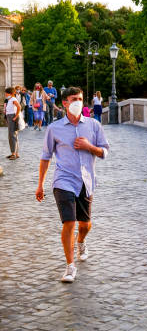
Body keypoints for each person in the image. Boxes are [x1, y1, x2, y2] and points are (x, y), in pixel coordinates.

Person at [35, 87, 110, 283]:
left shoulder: (93, 125)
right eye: (73, 99)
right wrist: (40, 184)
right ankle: (69, 266)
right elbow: (45, 157)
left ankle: (81, 241)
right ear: (65, 103)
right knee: (68, 222)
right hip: (63, 180)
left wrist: (89, 147)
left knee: (85, 224)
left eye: (80, 99)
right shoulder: (54, 128)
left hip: (86, 181)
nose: (78, 102)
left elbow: (104, 152)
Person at [4, 87, 21, 160]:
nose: (5, 94)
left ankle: (14, 153)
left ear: (10, 93)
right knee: (13, 135)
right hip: (10, 117)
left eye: (6, 93)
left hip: (12, 117)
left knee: (12, 135)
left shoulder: (13, 99)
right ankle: (15, 153)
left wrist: (15, 117)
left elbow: (19, 107)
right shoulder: (10, 100)